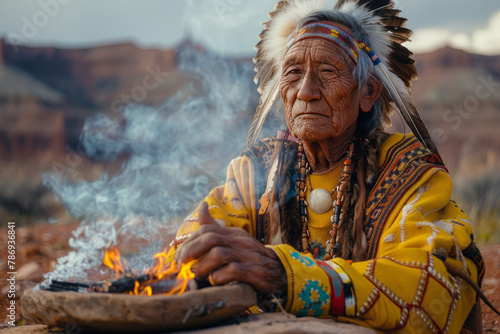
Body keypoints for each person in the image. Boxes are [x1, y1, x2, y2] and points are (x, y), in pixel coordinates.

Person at [166, 0, 484, 332]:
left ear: (368, 92)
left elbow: (433, 289)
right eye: (293, 72)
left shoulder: (407, 174)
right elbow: (188, 253)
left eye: (327, 71)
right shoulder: (254, 174)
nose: (306, 91)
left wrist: (282, 275)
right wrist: (202, 258)